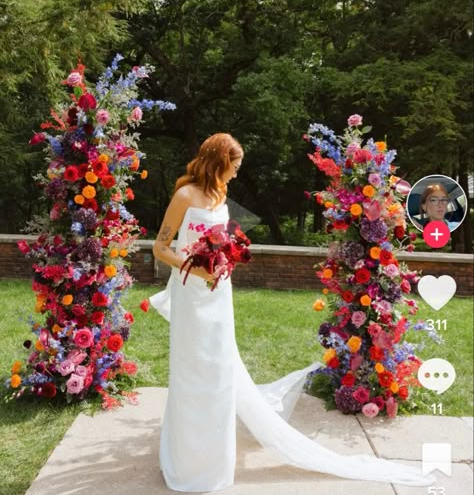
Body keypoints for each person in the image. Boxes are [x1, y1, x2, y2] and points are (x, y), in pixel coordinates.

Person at [151, 132, 435, 491]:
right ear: (218, 161)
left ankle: (214, 454)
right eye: (234, 167)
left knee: (220, 369)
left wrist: (225, 260)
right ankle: (188, 457)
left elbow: (222, 239)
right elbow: (161, 248)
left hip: (218, 292)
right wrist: (194, 264)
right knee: (193, 370)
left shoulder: (221, 193)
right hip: (192, 292)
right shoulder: (184, 195)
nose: (237, 174)